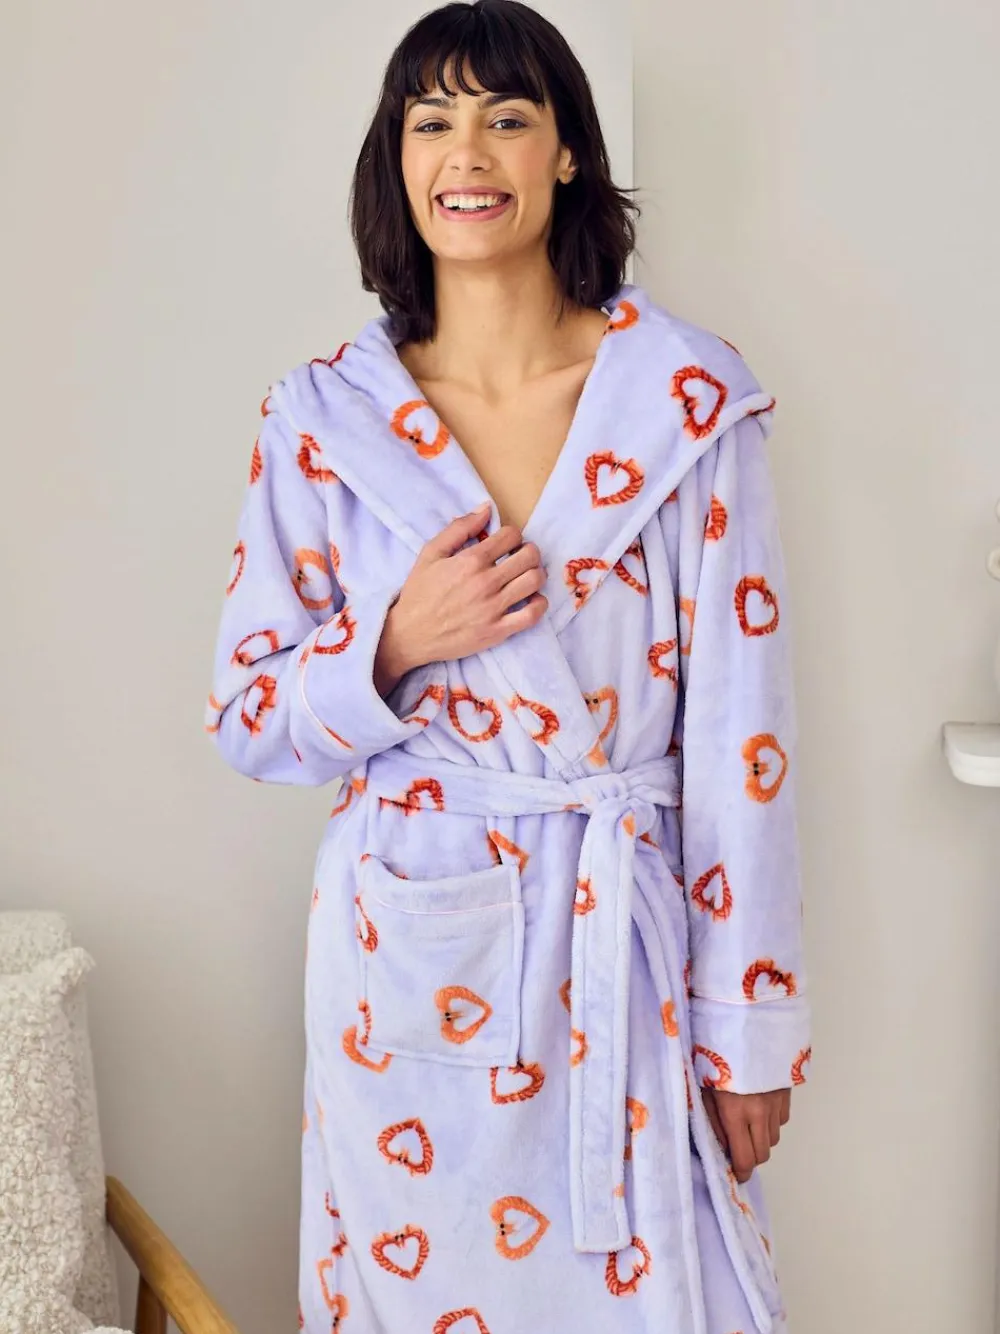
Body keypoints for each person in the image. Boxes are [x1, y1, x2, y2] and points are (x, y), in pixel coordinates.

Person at [204, 2, 810, 1331]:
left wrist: (747, 1022)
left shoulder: (689, 403)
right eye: (432, 121)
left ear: (566, 152)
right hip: (404, 964)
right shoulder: (323, 420)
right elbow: (248, 714)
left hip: (625, 949)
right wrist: (393, 641)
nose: (466, 152)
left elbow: (742, 739)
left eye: (507, 117)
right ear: (398, 158)